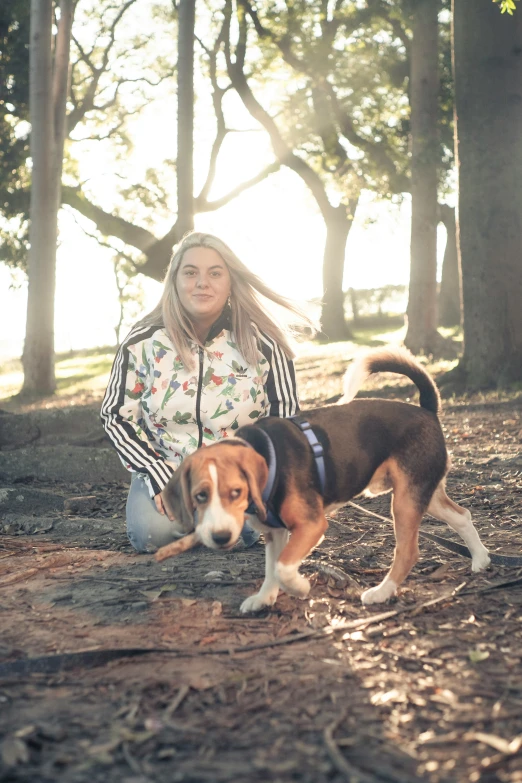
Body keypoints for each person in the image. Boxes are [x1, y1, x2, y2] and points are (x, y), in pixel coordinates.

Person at [101, 231, 313, 554]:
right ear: (174, 280)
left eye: (215, 273)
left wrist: (260, 479)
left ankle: (229, 525)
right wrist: (157, 473)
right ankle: (215, 527)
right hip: (170, 470)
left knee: (259, 523)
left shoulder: (265, 343)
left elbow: (286, 419)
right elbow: (115, 416)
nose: (203, 282)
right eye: (191, 272)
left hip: (241, 476)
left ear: (230, 281)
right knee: (152, 533)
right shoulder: (142, 342)